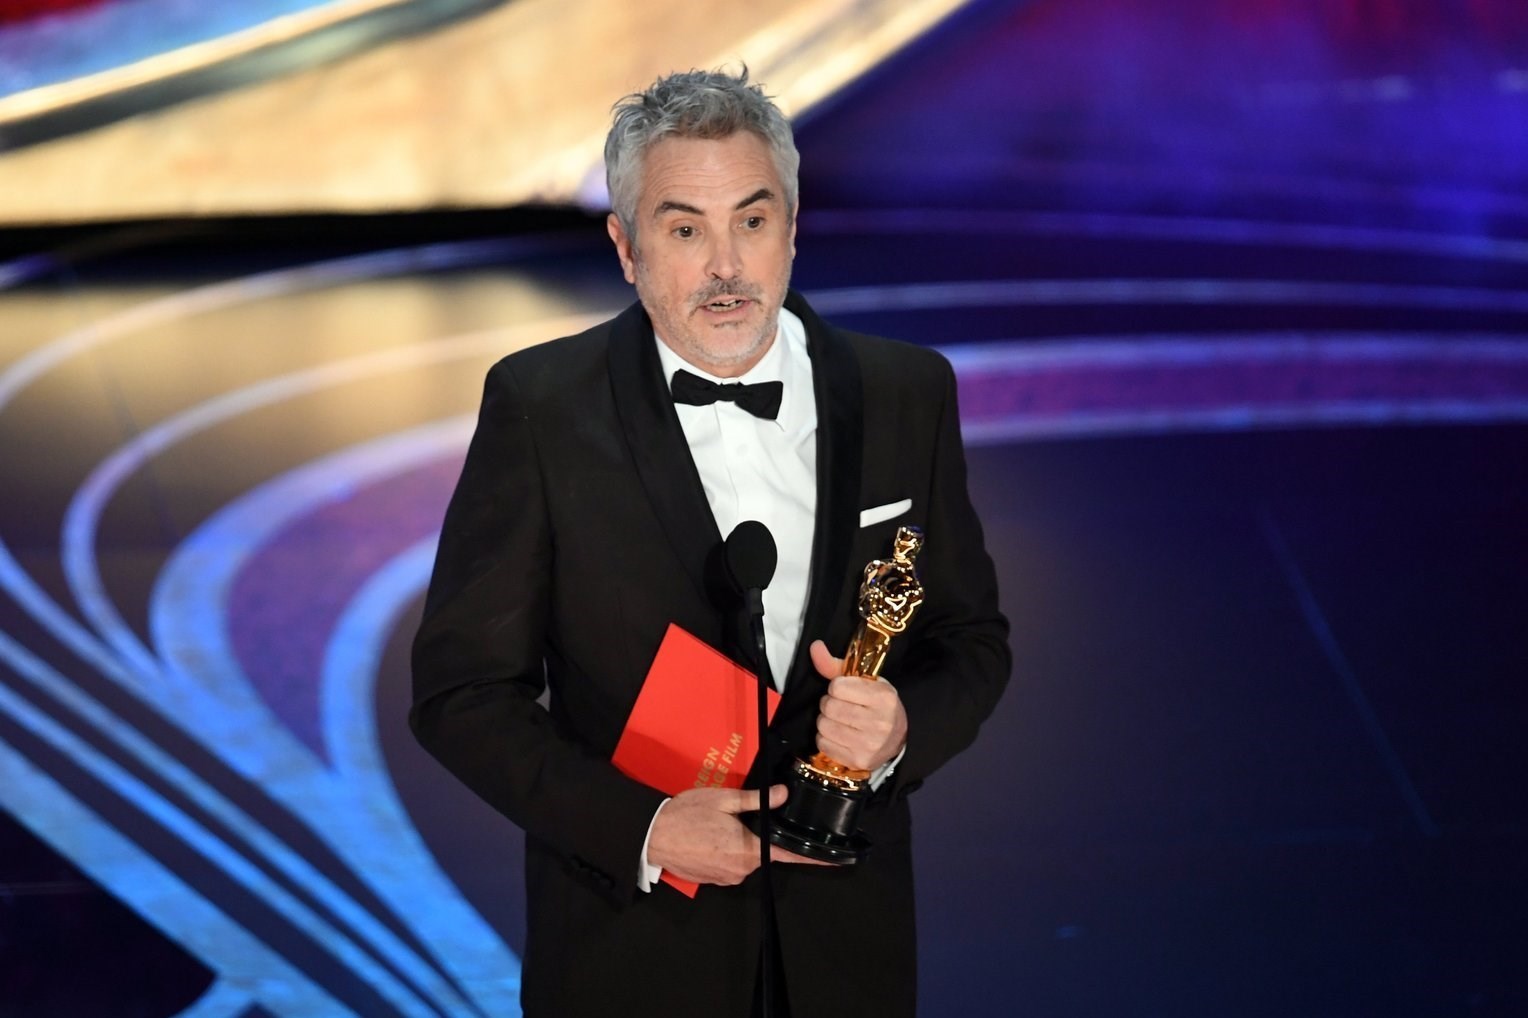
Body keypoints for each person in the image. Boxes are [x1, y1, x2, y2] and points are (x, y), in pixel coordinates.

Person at [410, 67, 1010, 1018]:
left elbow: (971, 641)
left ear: (793, 227)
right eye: (685, 230)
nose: (726, 266)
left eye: (752, 221)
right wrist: (645, 829)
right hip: (632, 954)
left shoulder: (908, 392)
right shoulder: (541, 409)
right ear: (626, 247)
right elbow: (462, 694)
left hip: (846, 953)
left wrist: (900, 731)